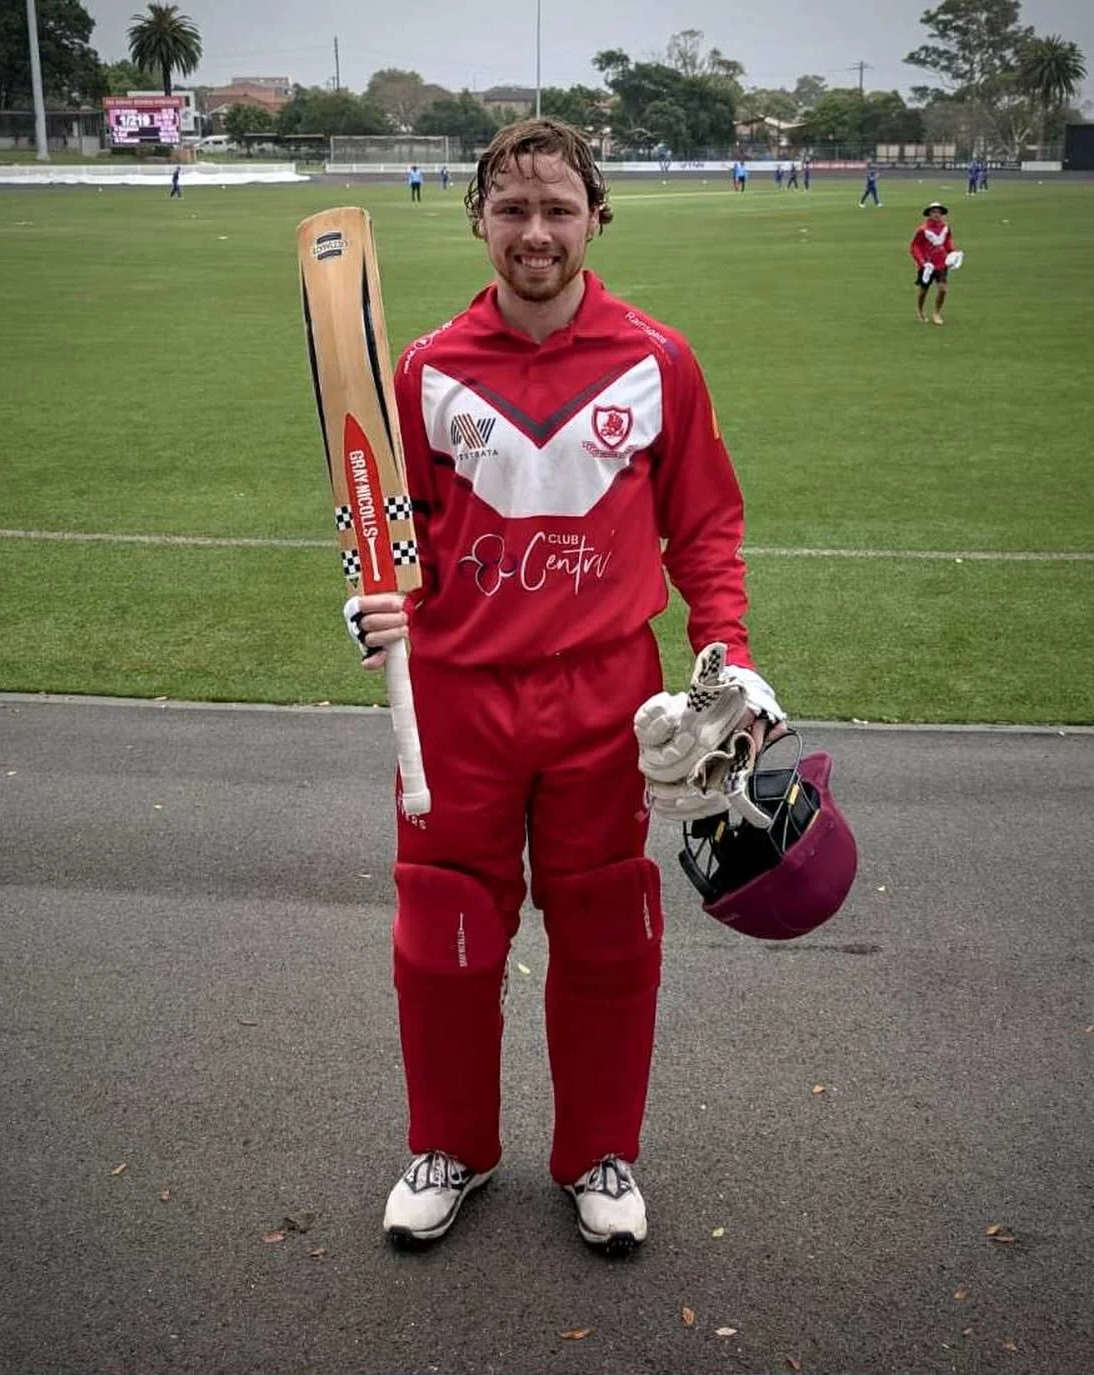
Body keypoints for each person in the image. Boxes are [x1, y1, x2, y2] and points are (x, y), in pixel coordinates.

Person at [347, 118, 785, 1253]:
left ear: (596, 218)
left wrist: (726, 654)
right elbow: (394, 535)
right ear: (478, 221)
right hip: (457, 696)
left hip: (605, 698)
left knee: (606, 929)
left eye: (556, 210)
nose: (534, 232)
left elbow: (705, 525)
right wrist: (378, 601)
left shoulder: (657, 360)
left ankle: (598, 1151)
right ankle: (450, 1144)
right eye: (512, 209)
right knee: (442, 926)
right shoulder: (426, 369)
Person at [910, 200, 957, 325]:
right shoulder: (922, 230)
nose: (937, 214)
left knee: (943, 289)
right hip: (927, 265)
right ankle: (920, 311)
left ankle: (936, 312)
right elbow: (915, 246)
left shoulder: (945, 227)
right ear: (929, 214)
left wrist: (952, 253)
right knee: (923, 290)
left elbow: (948, 241)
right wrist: (922, 262)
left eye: (939, 212)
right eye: (934, 212)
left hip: (941, 263)